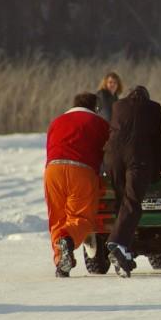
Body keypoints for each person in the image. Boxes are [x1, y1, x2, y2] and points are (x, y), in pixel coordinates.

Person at [43, 92, 110, 277]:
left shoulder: (57, 121)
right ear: (95, 107)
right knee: (82, 218)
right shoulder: (99, 123)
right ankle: (68, 239)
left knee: (57, 218)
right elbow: (109, 152)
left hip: (53, 170)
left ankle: (61, 262)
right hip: (81, 170)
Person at [104, 85, 161, 277]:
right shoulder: (155, 109)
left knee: (122, 201)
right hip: (138, 159)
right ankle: (117, 243)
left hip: (113, 157)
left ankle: (125, 253)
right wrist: (155, 172)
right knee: (133, 202)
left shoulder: (117, 106)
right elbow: (158, 142)